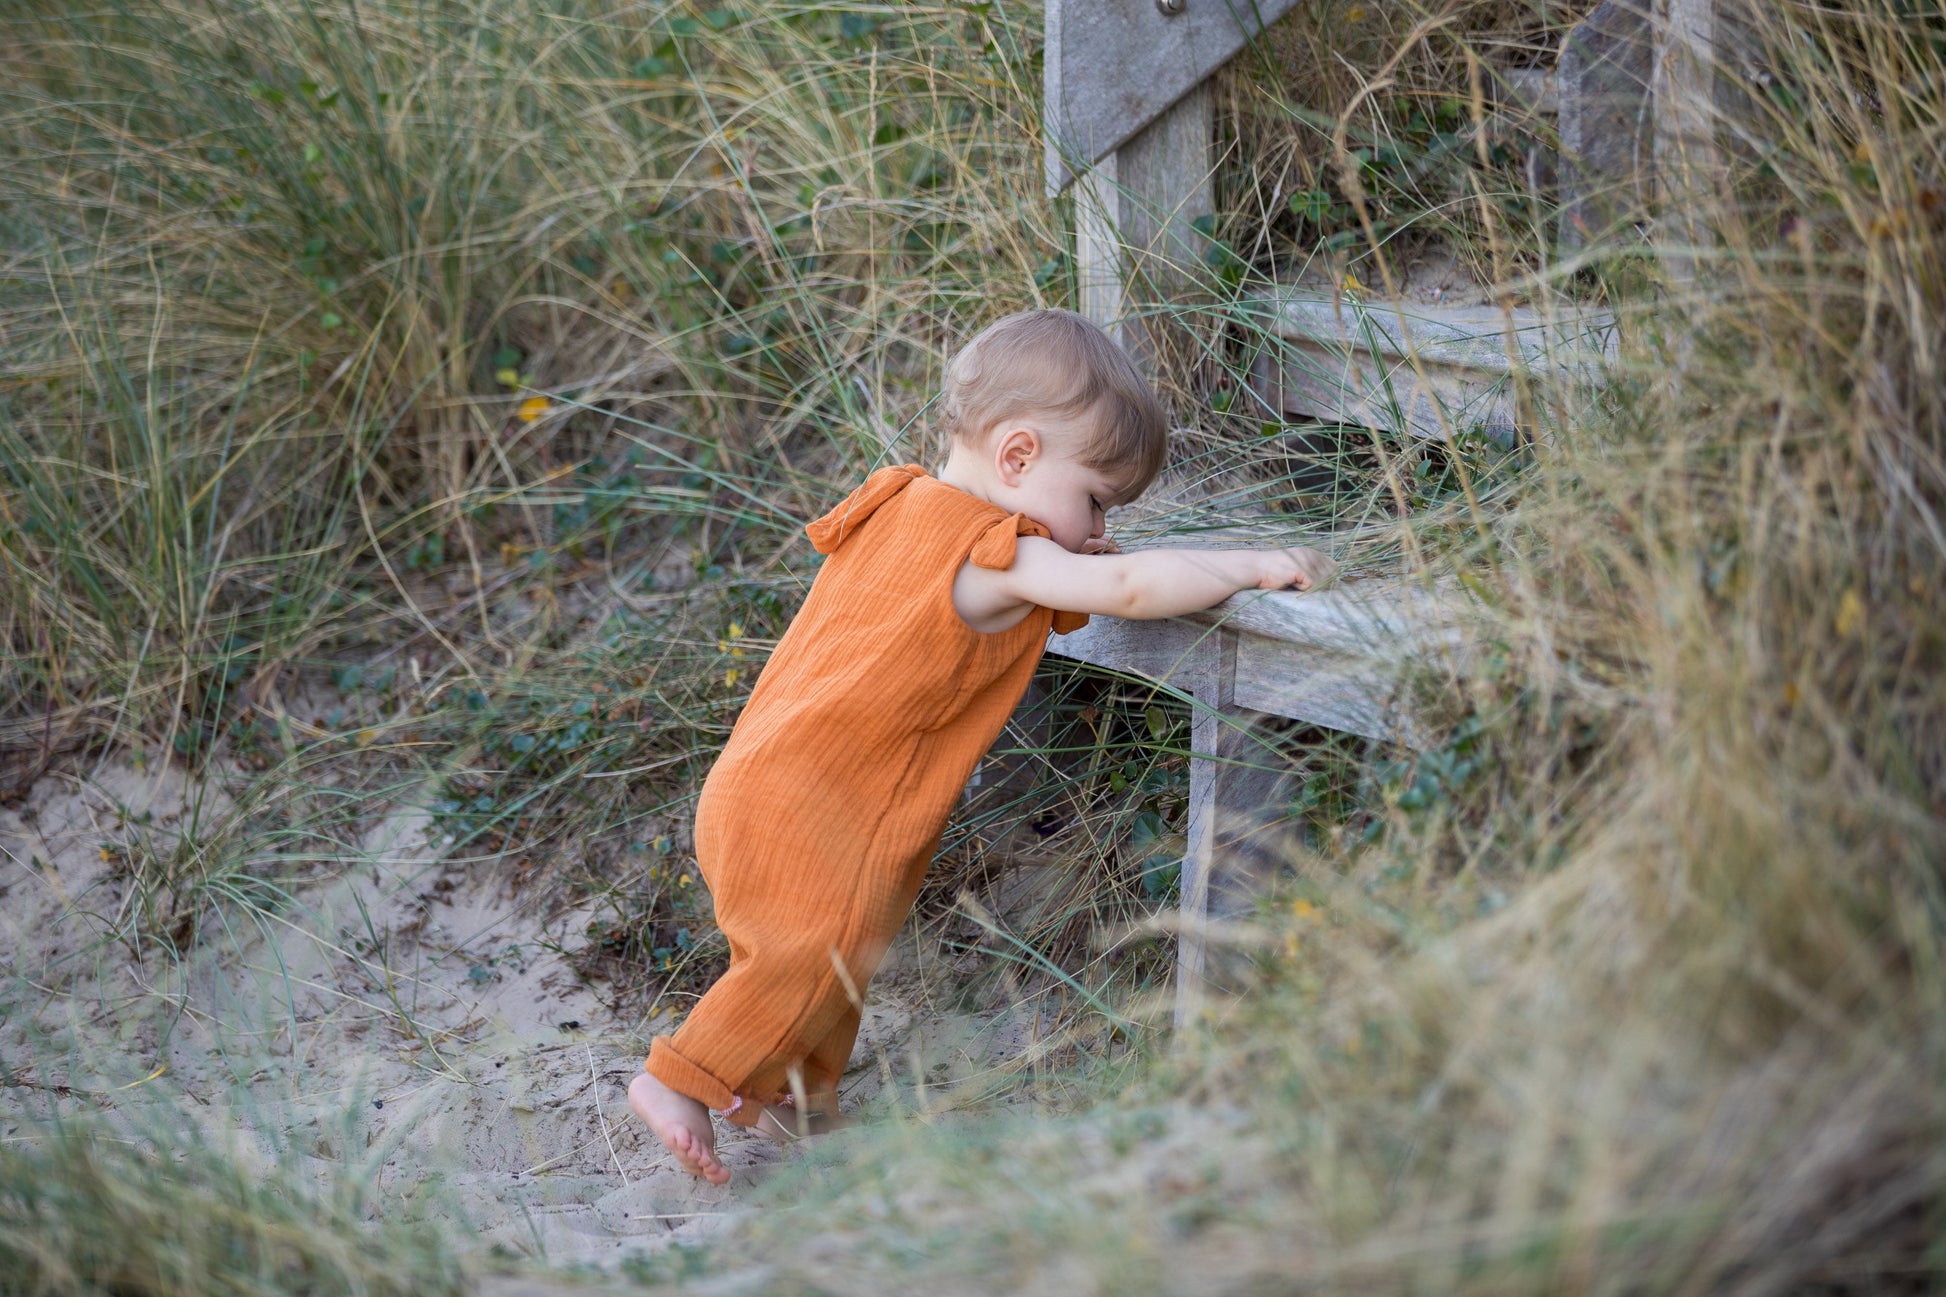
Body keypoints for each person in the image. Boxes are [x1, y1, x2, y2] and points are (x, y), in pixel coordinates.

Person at [628, 308, 1336, 1183]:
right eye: (1095, 500)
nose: (1092, 526)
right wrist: (1244, 563)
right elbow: (1121, 584)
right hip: (813, 801)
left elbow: (1033, 577)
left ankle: (792, 1097)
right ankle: (681, 1076)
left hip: (760, 779)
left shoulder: (901, 504)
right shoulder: (992, 553)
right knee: (811, 950)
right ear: (1017, 458)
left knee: (840, 951)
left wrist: (1064, 533)